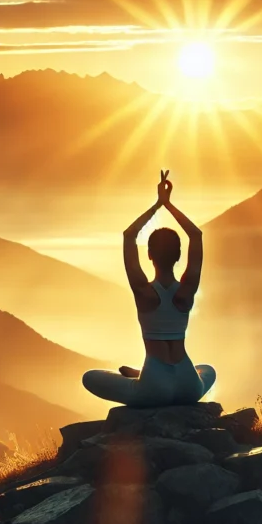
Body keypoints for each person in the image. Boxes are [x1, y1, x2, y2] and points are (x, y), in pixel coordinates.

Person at [82, 170, 216, 407]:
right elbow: (196, 235)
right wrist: (169, 205)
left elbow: (129, 235)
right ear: (178, 256)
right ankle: (142, 374)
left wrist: (157, 205)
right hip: (188, 383)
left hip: (154, 385)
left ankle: (140, 376)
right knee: (207, 370)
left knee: (90, 378)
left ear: (150, 255)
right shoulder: (186, 291)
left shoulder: (144, 293)